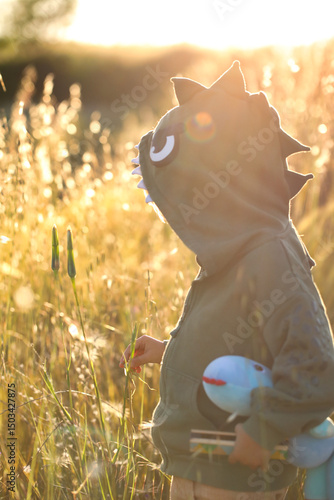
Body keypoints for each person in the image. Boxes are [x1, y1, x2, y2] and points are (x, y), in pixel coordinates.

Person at [120, 61, 334, 499]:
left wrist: (264, 428)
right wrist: (169, 351)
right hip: (198, 473)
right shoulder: (233, 250)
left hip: (234, 483)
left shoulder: (269, 254)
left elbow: (316, 366)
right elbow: (240, 346)